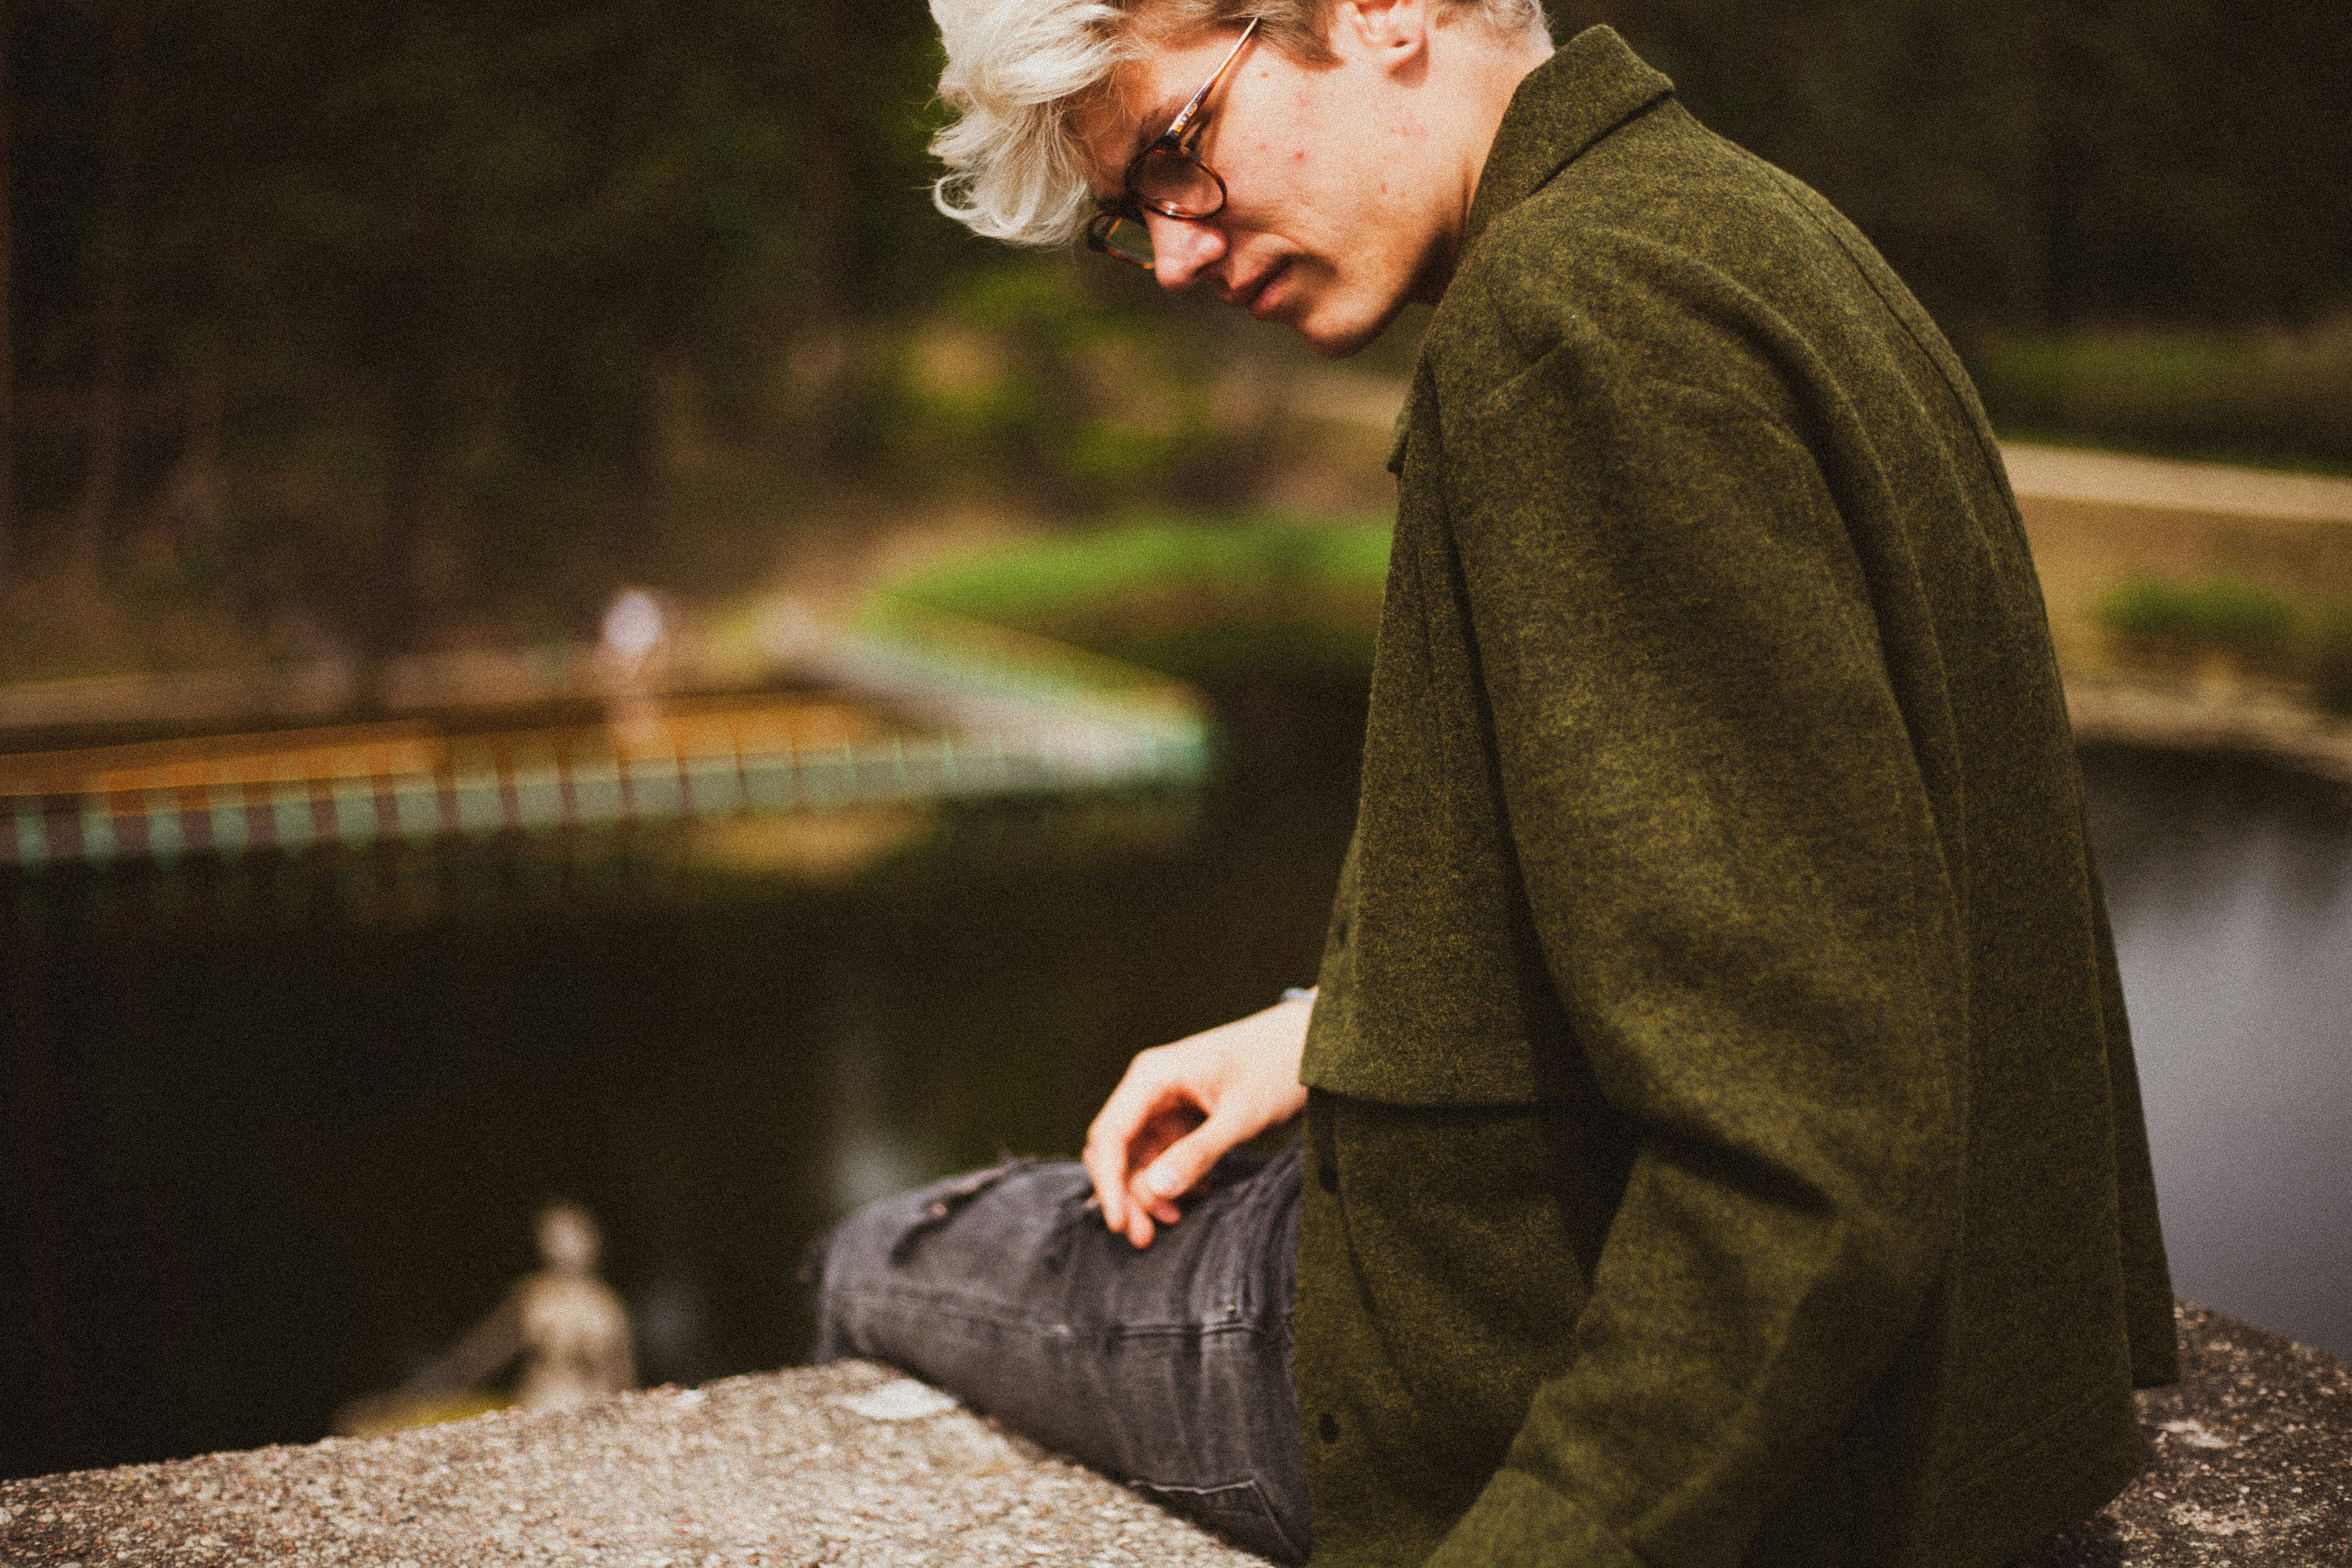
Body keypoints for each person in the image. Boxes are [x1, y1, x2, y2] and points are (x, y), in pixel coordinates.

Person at [811, 1, 2179, 1563]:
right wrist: (1337, 1031)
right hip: (1879, 1384)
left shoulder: (1568, 324)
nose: (1178, 256)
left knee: (880, 1261)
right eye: (1135, 220)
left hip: (1473, 1363)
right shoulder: (1748, 224)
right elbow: (1830, 886)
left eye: (1178, 154)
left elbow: (1807, 1155)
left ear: (1386, 11)